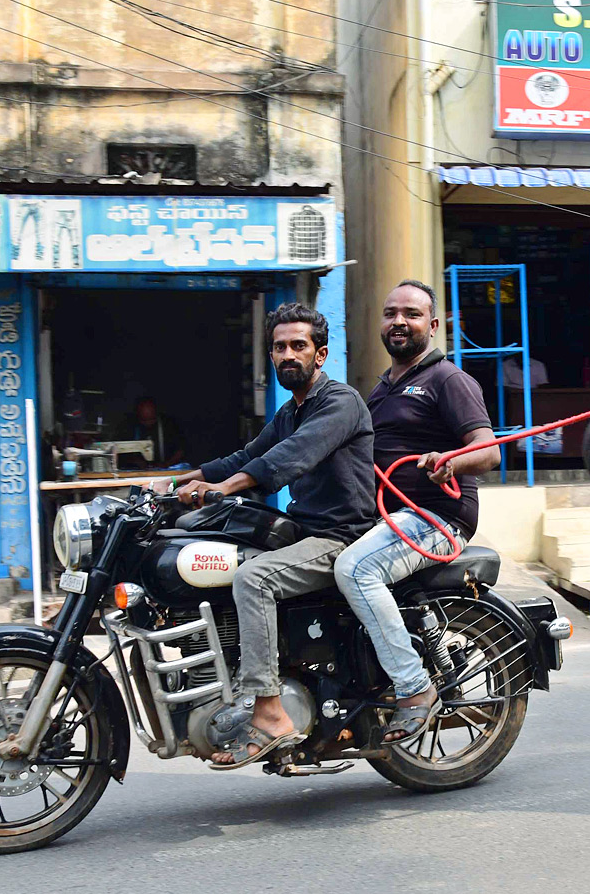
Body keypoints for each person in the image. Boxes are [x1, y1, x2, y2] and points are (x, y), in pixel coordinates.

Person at [171, 303, 376, 767]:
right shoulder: (290, 412)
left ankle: (269, 713)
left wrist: (225, 488)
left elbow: (289, 458)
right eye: (279, 347)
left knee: (254, 578)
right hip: (304, 532)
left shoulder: (340, 402)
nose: (288, 354)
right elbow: (245, 456)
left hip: (340, 536)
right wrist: (176, 481)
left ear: (320, 354)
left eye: (298, 345)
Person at [333, 280, 499, 745]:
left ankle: (413, 688)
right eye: (391, 313)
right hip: (386, 518)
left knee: (356, 570)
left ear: (433, 324)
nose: (399, 322)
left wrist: (451, 461)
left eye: (411, 313)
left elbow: (488, 450)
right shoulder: (380, 391)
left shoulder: (447, 380)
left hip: (435, 517)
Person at [116, 397, 186, 467]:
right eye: (144, 420)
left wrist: (167, 464)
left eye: (151, 419)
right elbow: (119, 452)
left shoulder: (169, 426)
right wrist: (134, 461)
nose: (148, 423)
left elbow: (180, 449)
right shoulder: (128, 428)